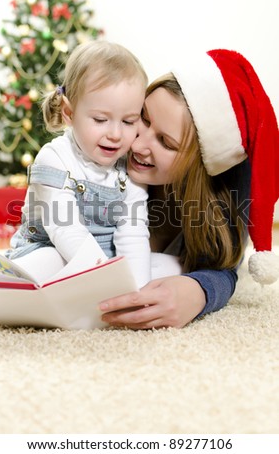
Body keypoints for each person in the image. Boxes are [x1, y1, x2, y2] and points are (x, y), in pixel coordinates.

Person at [99, 48, 279, 329]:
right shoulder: (112, 141)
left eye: (166, 143)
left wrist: (199, 291)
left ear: (200, 163)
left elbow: (224, 264)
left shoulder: (226, 183)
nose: (136, 144)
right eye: (143, 118)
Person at [6, 40, 151, 289]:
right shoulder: (55, 157)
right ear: (69, 113)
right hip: (51, 247)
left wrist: (137, 291)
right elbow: (65, 229)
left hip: (105, 260)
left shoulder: (128, 168)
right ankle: (7, 284)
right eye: (100, 119)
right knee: (49, 262)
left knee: (163, 266)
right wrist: (105, 281)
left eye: (128, 122)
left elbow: (133, 233)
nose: (116, 134)